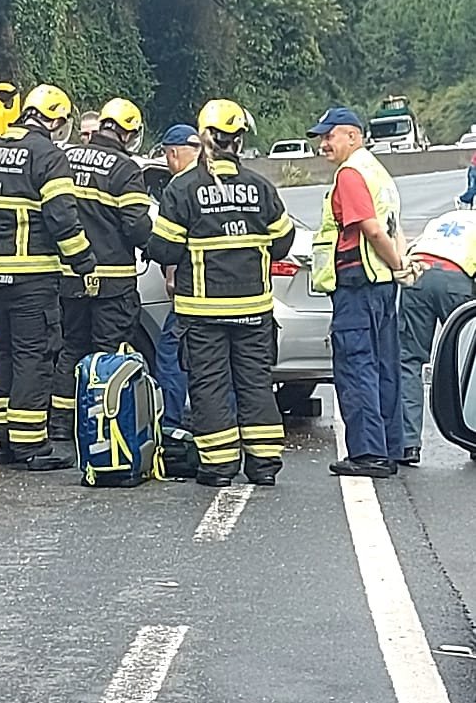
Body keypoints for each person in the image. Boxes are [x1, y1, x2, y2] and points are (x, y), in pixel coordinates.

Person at [146, 99, 295, 488]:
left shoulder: (183, 189)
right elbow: (282, 242)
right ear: (239, 140)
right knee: (254, 383)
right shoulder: (261, 188)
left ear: (203, 138)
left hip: (203, 312)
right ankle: (264, 465)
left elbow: (162, 248)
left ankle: (219, 467)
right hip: (255, 311)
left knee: (209, 386)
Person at [0, 84, 96, 471]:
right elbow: (62, 218)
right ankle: (32, 445)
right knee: (34, 356)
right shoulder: (48, 157)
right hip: (30, 276)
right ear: (52, 119)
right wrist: (84, 261)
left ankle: (4, 440)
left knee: (4, 352)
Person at [307, 107, 405, 478]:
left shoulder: (349, 174)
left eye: (330, 136)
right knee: (384, 368)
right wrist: (399, 266)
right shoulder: (377, 171)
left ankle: (367, 453)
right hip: (379, 286)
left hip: (357, 285)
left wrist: (395, 262)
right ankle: (389, 446)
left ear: (353, 136)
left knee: (356, 366)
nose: (323, 144)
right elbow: (391, 226)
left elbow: (371, 229)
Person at [51, 98, 153, 438]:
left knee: (72, 349)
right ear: (128, 133)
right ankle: (100, 425)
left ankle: (63, 423)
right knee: (107, 354)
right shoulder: (125, 170)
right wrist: (157, 248)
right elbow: (137, 226)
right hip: (113, 282)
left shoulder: (65, 158)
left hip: (70, 276)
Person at [399, 209, 476, 464]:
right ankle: (472, 434)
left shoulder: (446, 217)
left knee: (409, 360)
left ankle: (408, 444)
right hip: (456, 280)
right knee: (469, 358)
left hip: (419, 274)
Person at [153, 124, 202, 428]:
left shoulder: (178, 187)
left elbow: (168, 245)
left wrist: (171, 277)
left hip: (190, 293)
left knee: (170, 353)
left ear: (173, 154)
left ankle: (170, 422)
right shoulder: (217, 181)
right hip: (234, 295)